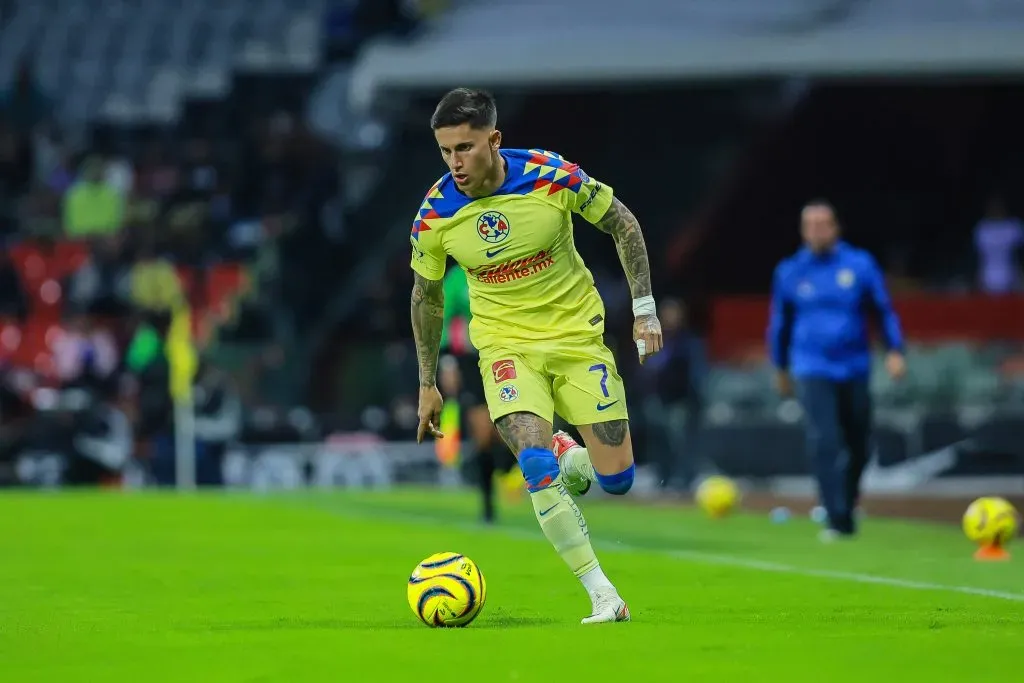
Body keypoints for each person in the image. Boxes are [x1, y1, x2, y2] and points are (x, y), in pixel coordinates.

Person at [409, 88, 663, 624]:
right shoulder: (435, 215)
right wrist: (427, 380)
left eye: (465, 147)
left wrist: (644, 310)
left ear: (494, 139)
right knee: (533, 462)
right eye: (445, 151)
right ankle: (602, 593)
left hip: (576, 337)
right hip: (504, 345)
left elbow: (624, 223)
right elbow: (425, 296)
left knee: (615, 478)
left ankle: (573, 453)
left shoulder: (552, 175)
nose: (455, 162)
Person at [767, 200, 906, 541]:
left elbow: (884, 310)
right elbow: (779, 324)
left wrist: (894, 350)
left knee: (859, 441)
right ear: (802, 231)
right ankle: (836, 515)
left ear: (835, 227)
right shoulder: (790, 271)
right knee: (825, 439)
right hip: (811, 366)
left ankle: (846, 499)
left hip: (855, 366)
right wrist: (780, 366)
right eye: (809, 224)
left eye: (822, 223)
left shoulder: (859, 265)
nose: (816, 230)